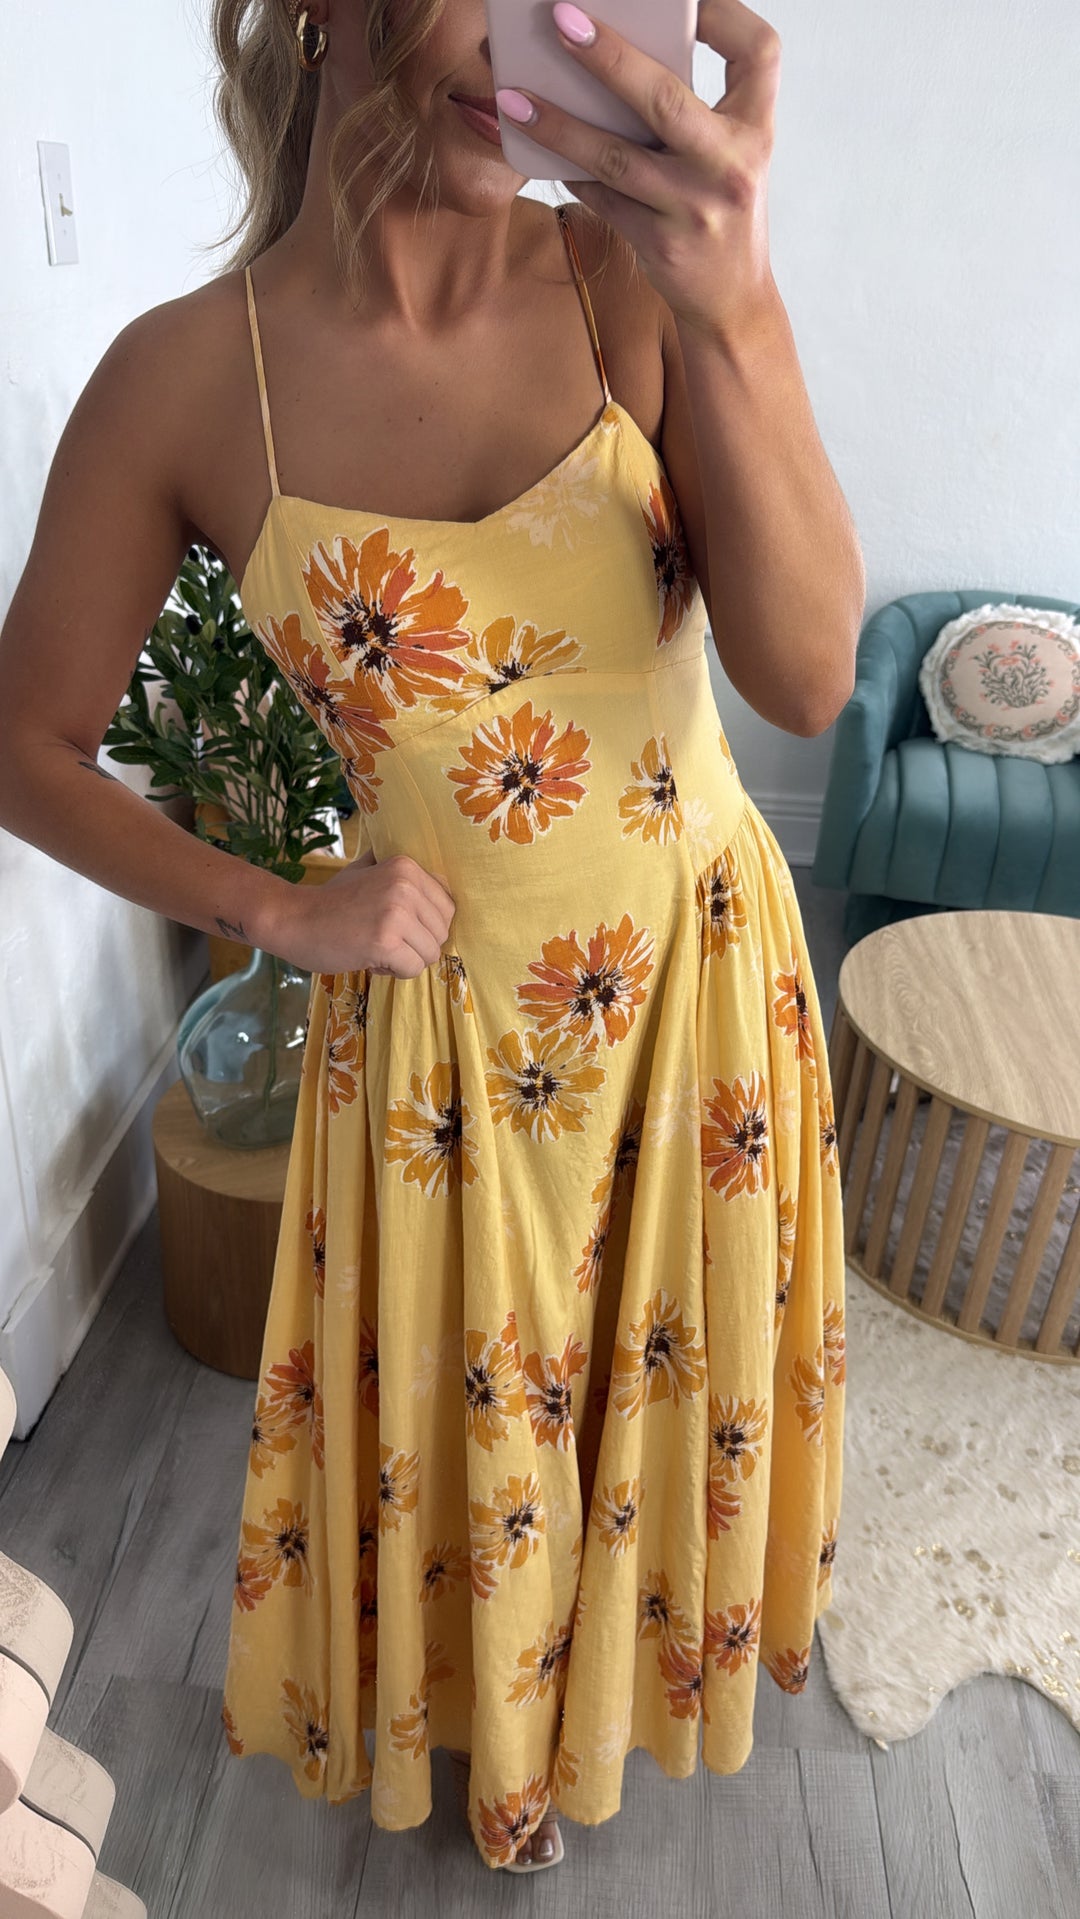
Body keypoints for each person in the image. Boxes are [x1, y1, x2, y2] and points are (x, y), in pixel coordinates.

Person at [0, 0, 859, 1877]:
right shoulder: (186, 384)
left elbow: (806, 677)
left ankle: (608, 1717)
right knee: (478, 1451)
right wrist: (271, 904)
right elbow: (25, 741)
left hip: (697, 998)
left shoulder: (625, 281)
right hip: (444, 1043)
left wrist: (733, 299)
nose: (532, 39)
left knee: (658, 1404)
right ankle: (501, 1763)